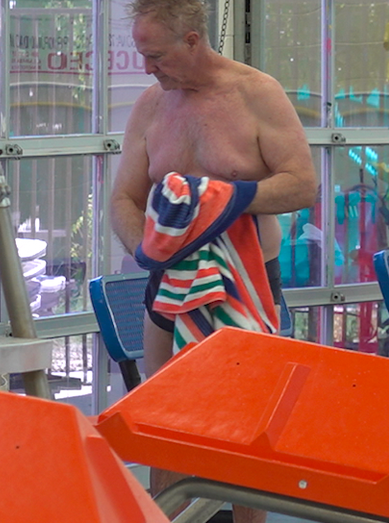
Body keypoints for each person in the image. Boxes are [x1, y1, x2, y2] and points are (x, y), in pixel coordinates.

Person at [109, 1, 317, 521]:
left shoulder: (256, 94)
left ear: (194, 41)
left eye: (156, 55)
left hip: (249, 282)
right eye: (141, 54)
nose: (148, 68)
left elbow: (301, 183)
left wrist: (224, 198)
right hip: (170, 280)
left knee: (246, 427)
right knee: (165, 419)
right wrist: (147, 248)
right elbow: (123, 200)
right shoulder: (152, 107)